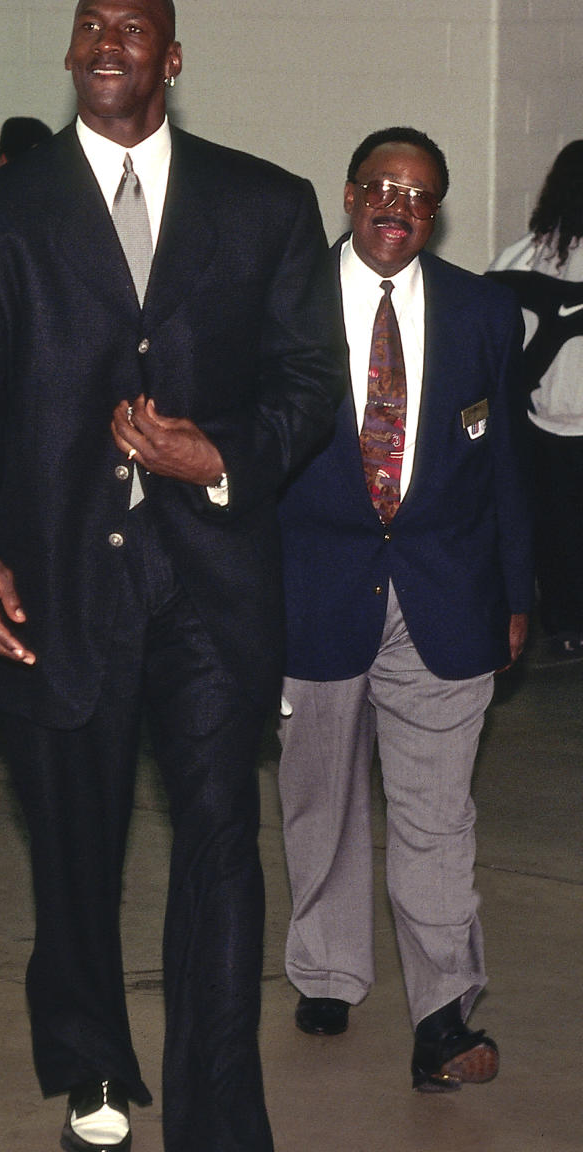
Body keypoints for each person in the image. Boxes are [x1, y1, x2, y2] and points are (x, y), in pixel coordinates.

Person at [0, 0, 342, 1152]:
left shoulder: (267, 206)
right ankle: (94, 1064)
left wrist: (222, 450)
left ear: (172, 58)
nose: (108, 43)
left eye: (131, 28)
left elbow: (311, 389)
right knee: (77, 852)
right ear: (71, 50)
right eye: (92, 26)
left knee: (218, 852)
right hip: (56, 587)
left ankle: (217, 1117)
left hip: (211, 586)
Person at [277, 127, 533, 1092]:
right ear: (348, 196)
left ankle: (442, 1014)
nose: (399, 206)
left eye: (421, 195)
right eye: (382, 186)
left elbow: (504, 464)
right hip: (313, 590)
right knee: (321, 795)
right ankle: (329, 967)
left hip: (447, 593)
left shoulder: (480, 312)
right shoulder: (286, 301)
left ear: (438, 212)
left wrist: (516, 593)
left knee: (436, 815)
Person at [487, 141, 583, 656]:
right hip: (559, 423)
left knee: (552, 531)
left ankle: (566, 624)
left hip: (535, 423)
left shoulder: (517, 255)